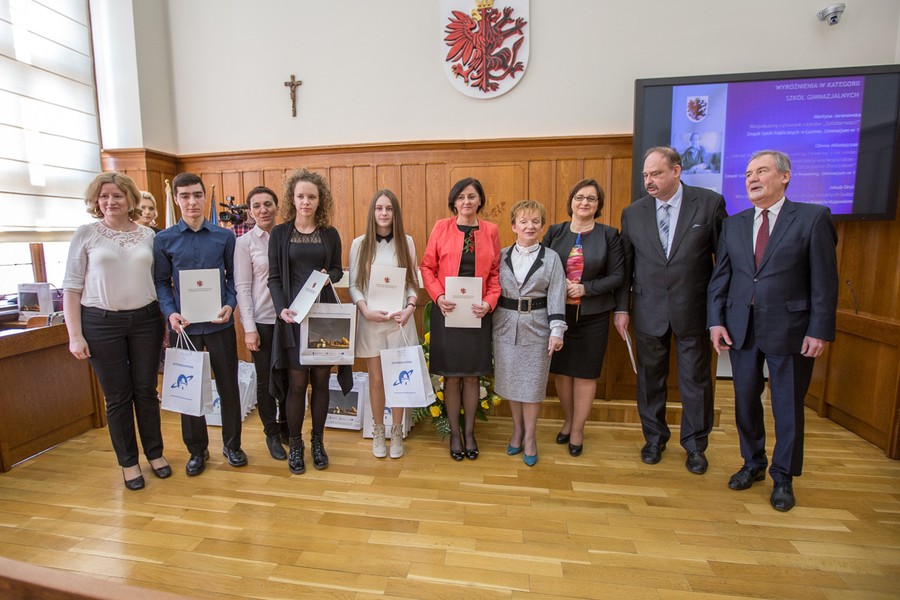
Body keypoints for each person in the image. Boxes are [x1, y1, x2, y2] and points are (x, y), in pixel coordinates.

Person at [708, 150, 838, 512]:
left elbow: (825, 281)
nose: (752, 178)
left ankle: (784, 477)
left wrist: (819, 329)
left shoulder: (812, 218)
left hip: (792, 330)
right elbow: (722, 279)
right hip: (741, 329)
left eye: (761, 171)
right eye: (748, 172)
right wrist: (715, 320)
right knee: (745, 403)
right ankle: (753, 463)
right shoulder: (733, 224)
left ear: (784, 176)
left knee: (787, 406)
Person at [614, 147, 727, 474]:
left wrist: (718, 312)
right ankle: (654, 438)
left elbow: (724, 264)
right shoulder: (633, 213)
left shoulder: (708, 204)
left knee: (696, 381)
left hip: (693, 309)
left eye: (656, 174)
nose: (649, 181)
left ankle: (695, 445)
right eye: (646, 175)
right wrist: (622, 309)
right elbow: (627, 266)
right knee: (650, 381)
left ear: (676, 171)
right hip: (648, 310)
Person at [63, 172, 169, 490]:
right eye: (104, 196)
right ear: (97, 201)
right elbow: (71, 287)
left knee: (146, 392)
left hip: (146, 321)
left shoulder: (149, 236)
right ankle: (128, 462)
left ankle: (155, 454)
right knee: (118, 397)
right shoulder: (86, 234)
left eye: (118, 195)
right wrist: (75, 334)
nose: (110, 201)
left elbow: (160, 282)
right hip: (100, 323)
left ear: (130, 200)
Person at [153, 172, 247, 476]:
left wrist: (229, 305)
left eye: (196, 195)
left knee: (228, 387)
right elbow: (160, 283)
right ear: (177, 200)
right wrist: (170, 312)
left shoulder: (225, 236)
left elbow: (234, 278)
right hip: (184, 328)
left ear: (205, 196)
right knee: (189, 389)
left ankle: (232, 445)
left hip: (219, 324)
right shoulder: (164, 239)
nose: (192, 202)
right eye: (185, 196)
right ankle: (197, 450)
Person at [268, 168, 343, 474]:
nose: (306, 201)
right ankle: (296, 444)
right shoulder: (280, 233)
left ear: (319, 199)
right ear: (292, 198)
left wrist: (329, 277)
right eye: (300, 196)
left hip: (323, 316)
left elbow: (337, 270)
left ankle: (318, 442)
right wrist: (280, 309)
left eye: (311, 196)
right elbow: (274, 278)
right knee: (297, 384)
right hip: (293, 318)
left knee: (322, 381)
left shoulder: (330, 233)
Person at [420, 177, 501, 461]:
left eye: (472, 196)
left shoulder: (491, 230)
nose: (467, 201)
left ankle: (470, 433)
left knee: (471, 376)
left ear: (480, 200)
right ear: (454, 202)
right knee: (451, 378)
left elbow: (495, 275)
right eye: (461, 197)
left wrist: (489, 303)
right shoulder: (441, 227)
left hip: (478, 314)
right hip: (448, 311)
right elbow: (427, 267)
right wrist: (439, 296)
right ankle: (455, 435)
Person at [543, 179, 624, 456]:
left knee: (586, 374)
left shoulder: (610, 235)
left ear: (598, 204)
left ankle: (578, 430)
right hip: (558, 316)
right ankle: (567, 421)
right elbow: (540, 266)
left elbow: (617, 276)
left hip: (593, 315)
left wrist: (585, 288)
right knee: (563, 372)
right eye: (580, 197)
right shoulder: (555, 232)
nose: (585, 203)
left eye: (591, 198)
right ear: (571, 202)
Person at [494, 200, 566, 466]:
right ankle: (517, 431)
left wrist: (556, 331)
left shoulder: (552, 258)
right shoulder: (500, 255)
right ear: (513, 226)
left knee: (533, 387)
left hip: (538, 328)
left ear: (542, 226)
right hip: (504, 327)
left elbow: (557, 296)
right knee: (512, 384)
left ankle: (530, 437)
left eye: (535, 221)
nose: (529, 226)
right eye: (523, 221)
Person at [348, 189, 419, 459]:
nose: (384, 213)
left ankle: (397, 431)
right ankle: (379, 431)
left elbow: (413, 282)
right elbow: (354, 285)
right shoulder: (359, 244)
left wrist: (410, 307)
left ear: (395, 212)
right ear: (373, 212)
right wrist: (364, 309)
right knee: (377, 380)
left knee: (397, 381)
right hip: (372, 321)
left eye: (389, 208)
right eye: (379, 208)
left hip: (399, 321)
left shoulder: (407, 242)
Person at [234, 185, 288, 461]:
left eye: (268, 204)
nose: (263, 210)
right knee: (267, 382)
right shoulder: (244, 244)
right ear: (250, 211)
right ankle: (271, 432)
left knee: (290, 380)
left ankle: (288, 429)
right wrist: (249, 328)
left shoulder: (288, 235)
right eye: (256, 206)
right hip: (263, 321)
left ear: (277, 207)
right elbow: (243, 288)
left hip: (289, 321)